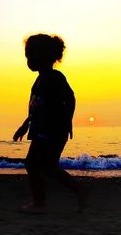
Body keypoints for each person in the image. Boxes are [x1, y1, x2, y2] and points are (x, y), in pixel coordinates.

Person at [13, 33, 88, 214]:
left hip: (53, 130)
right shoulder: (40, 80)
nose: (28, 60)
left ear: (44, 57)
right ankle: (75, 191)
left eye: (31, 56)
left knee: (37, 165)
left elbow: (70, 98)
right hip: (42, 129)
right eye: (27, 56)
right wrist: (25, 125)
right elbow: (36, 107)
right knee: (43, 166)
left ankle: (42, 203)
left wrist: (67, 121)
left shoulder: (54, 78)